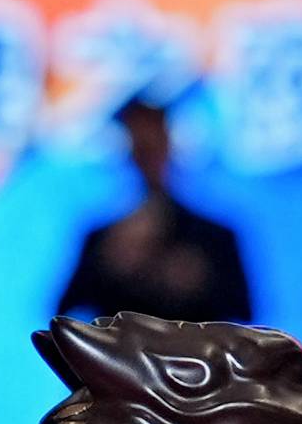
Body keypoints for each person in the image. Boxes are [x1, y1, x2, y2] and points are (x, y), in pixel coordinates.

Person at [56, 99, 255, 324]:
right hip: (124, 348)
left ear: (169, 143)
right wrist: (110, 266)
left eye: (153, 142)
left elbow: (243, 310)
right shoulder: (103, 238)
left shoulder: (215, 236)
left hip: (190, 347)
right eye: (140, 144)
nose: (147, 153)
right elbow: (65, 310)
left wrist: (201, 280)